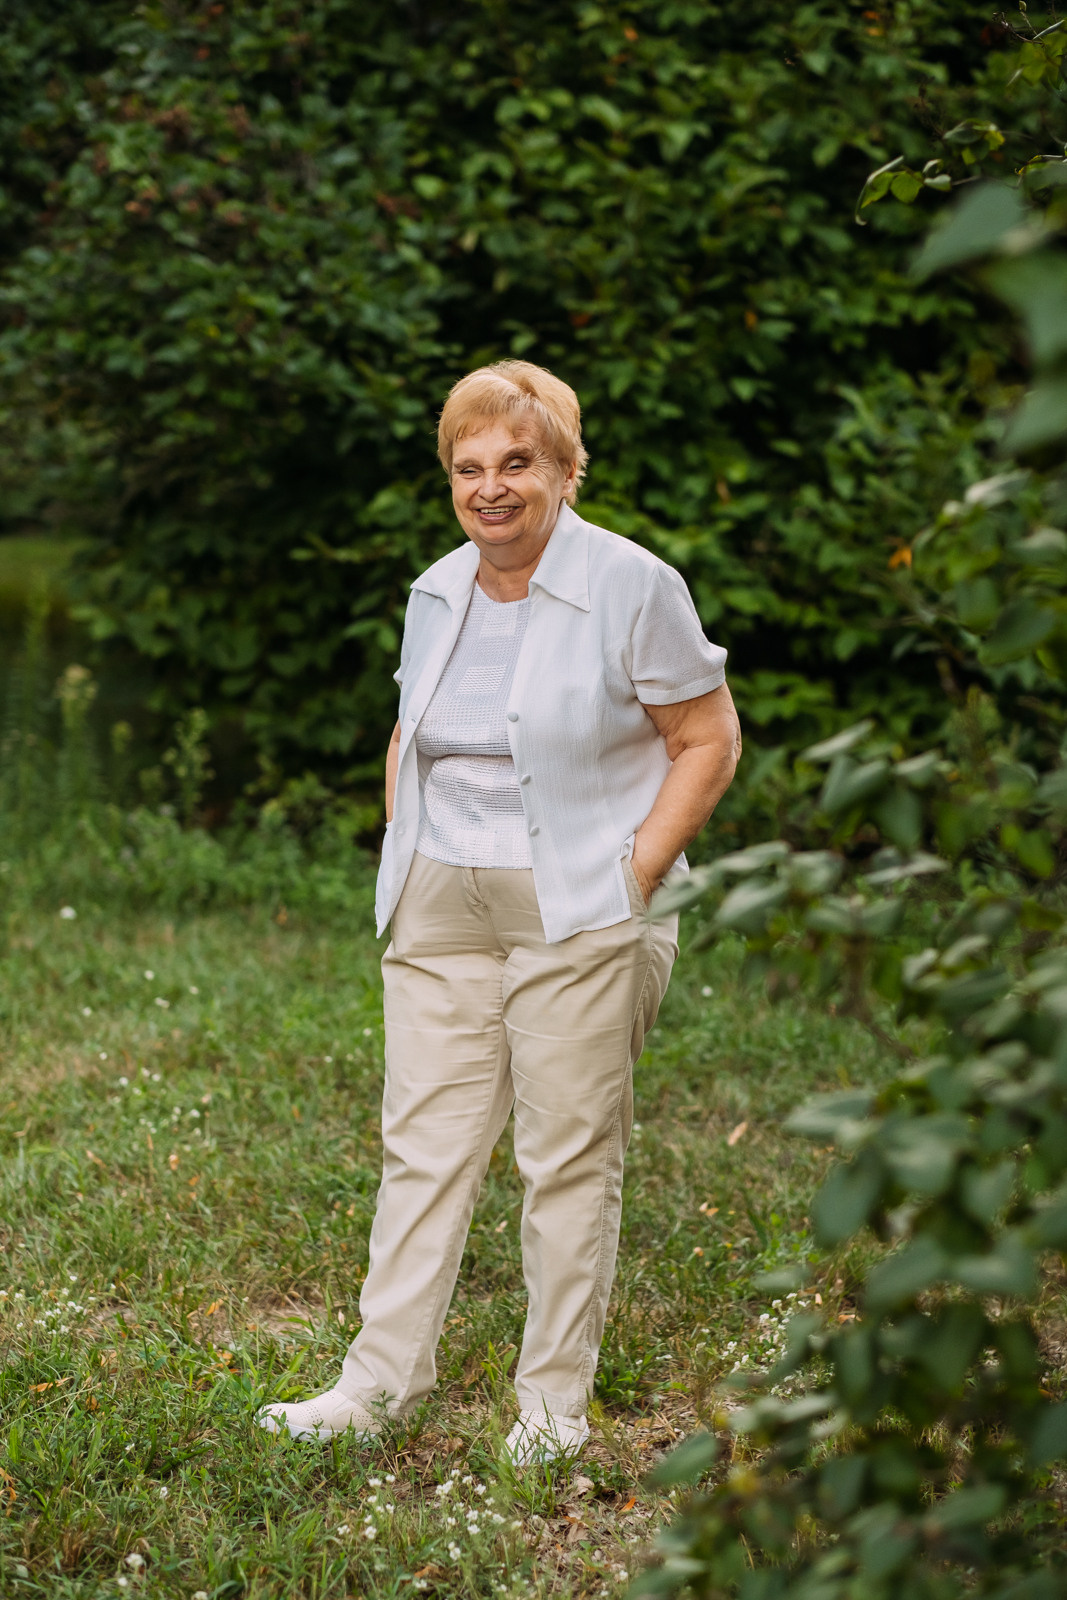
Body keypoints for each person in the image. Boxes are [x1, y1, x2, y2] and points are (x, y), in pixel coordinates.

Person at [258, 360, 741, 1463]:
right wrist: (405, 844)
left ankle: (552, 1407)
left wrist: (632, 876)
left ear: (566, 467)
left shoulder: (632, 584)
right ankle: (378, 1385)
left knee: (565, 1152)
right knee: (422, 1145)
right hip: (440, 899)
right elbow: (410, 733)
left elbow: (706, 739)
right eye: (467, 468)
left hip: (577, 900)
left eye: (516, 462)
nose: (490, 487)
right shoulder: (437, 588)